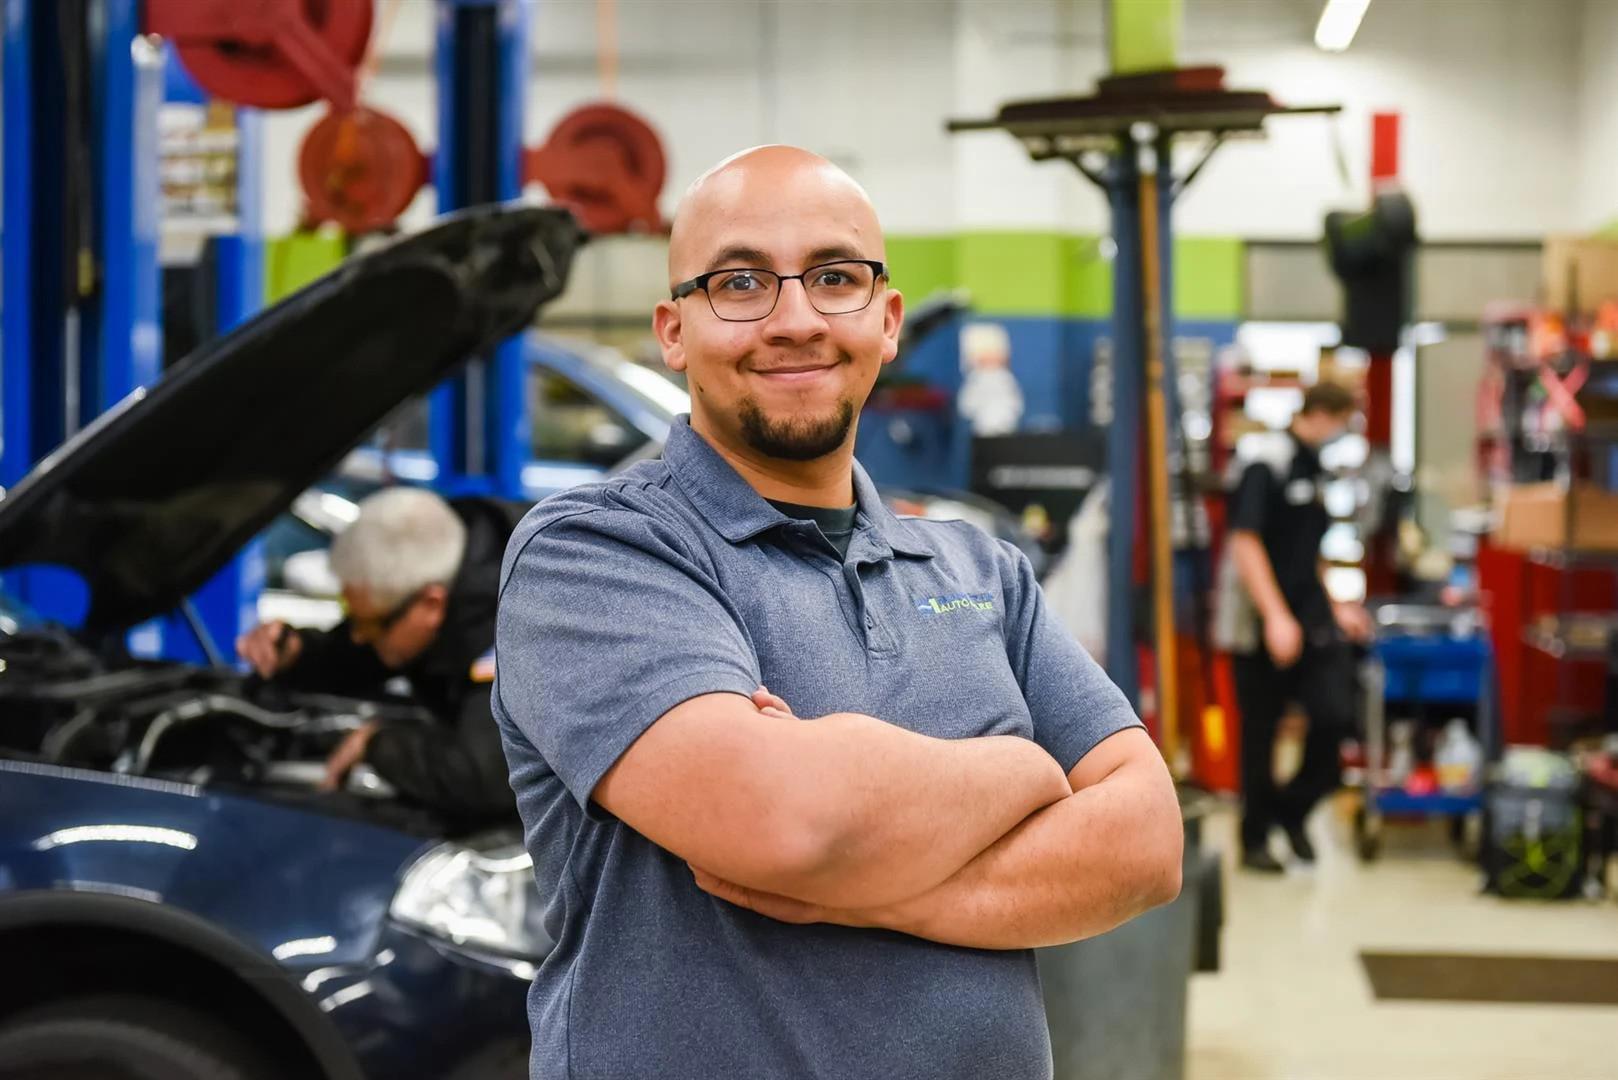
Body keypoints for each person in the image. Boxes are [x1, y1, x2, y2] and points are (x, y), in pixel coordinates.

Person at [493, 145, 1183, 1080]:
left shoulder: (983, 570)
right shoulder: (596, 553)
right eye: (739, 282)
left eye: (835, 278)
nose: (794, 320)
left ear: (887, 319)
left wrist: (868, 894)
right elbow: (782, 825)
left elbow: (1145, 844)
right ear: (674, 329)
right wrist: (1025, 771)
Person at [237, 487, 518, 827]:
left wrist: (378, 743)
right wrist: (298, 653)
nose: (359, 637)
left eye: (370, 625)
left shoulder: (518, 626)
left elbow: (486, 775)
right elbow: (365, 649)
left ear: (431, 604)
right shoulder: (443, 557)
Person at [1223, 381, 1374, 873]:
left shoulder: (1315, 466)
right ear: (1323, 414)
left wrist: (1337, 604)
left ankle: (1291, 811)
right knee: (1260, 735)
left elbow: (1308, 553)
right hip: (1262, 625)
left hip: (1311, 620)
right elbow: (1246, 543)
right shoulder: (1266, 462)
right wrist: (1275, 617)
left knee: (1334, 717)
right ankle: (1256, 838)